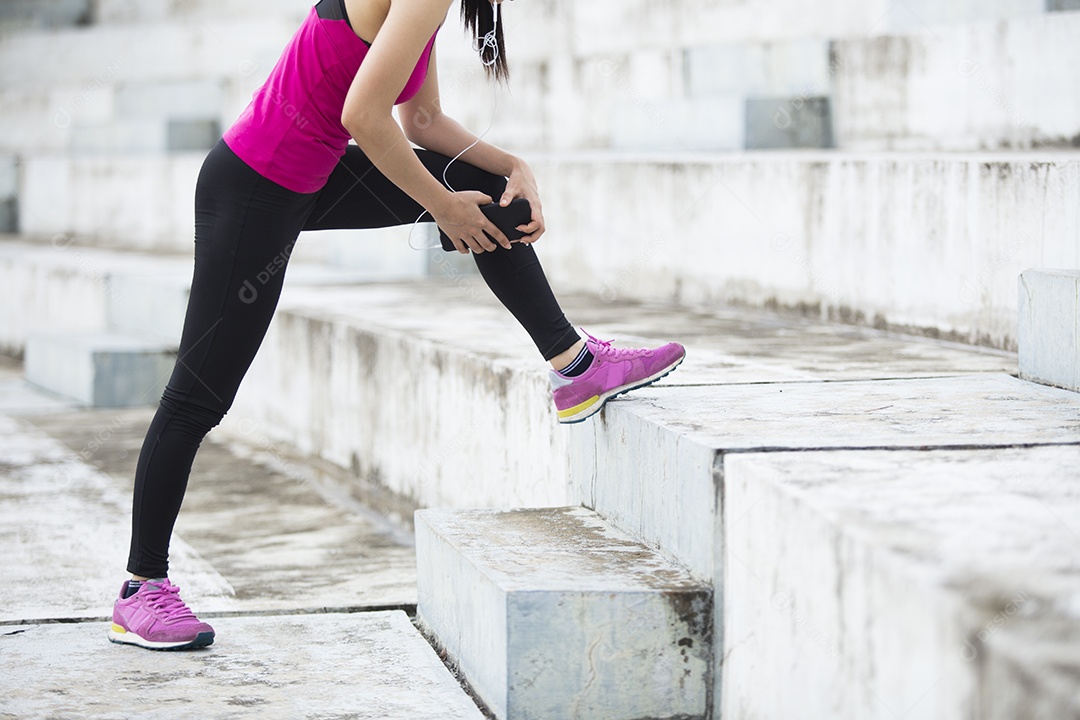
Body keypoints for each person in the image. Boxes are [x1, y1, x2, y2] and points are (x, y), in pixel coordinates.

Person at [108, 0, 685, 651]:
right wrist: (442, 207)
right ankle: (140, 590)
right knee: (198, 398)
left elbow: (423, 119)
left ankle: (575, 369)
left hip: (310, 176)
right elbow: (362, 114)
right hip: (253, 188)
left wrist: (507, 165)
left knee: (479, 181)